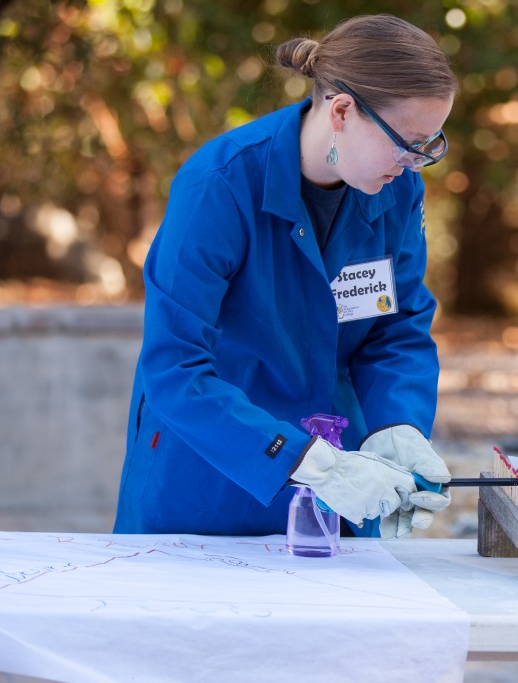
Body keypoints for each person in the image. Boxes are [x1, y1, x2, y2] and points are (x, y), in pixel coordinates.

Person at [113, 14, 456, 539]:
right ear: (341, 111)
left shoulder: (397, 191)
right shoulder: (218, 187)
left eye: (432, 144)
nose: (416, 163)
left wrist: (397, 425)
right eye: (409, 142)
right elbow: (174, 369)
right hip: (209, 484)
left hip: (339, 491)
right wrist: (303, 461)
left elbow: (396, 328)